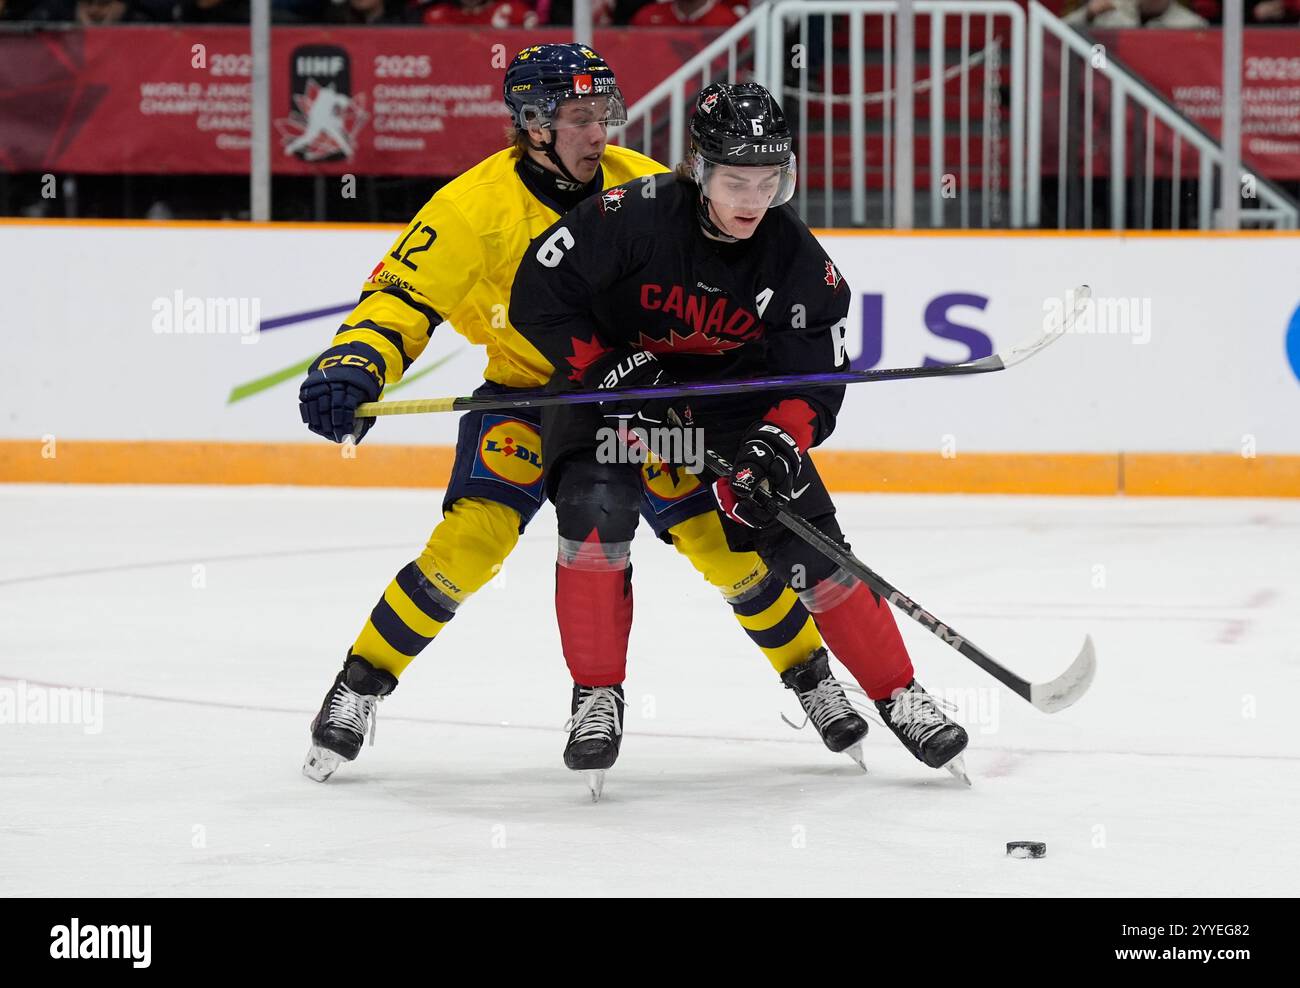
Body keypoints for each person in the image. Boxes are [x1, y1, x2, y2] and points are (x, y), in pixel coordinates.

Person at [298, 48, 864, 786]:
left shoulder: (640, 181)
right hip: (531, 398)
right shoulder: (471, 208)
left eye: (605, 115)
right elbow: (402, 298)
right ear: (532, 125)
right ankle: (360, 683)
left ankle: (812, 680)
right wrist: (356, 362)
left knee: (722, 546)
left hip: (642, 399)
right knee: (469, 544)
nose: (599, 133)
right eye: (579, 118)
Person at [510, 82, 970, 793]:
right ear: (698, 169)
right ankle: (596, 694)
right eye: (734, 180)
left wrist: (771, 447)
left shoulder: (797, 261)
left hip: (730, 412)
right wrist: (603, 366)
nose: (753, 199)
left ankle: (898, 693)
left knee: (812, 547)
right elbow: (539, 295)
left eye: (769, 180)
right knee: (596, 518)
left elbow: (813, 383)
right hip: (617, 402)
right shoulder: (628, 217)